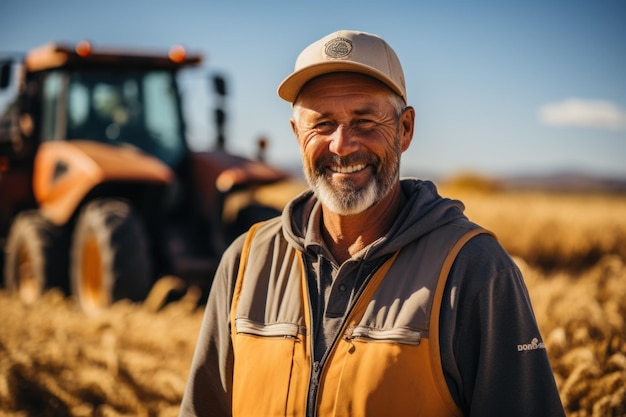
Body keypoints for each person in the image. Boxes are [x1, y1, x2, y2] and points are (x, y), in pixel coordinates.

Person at [179, 29, 565, 417]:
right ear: (297, 135)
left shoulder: (474, 269)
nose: (342, 145)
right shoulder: (244, 263)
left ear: (405, 130)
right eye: (323, 124)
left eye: (364, 120)